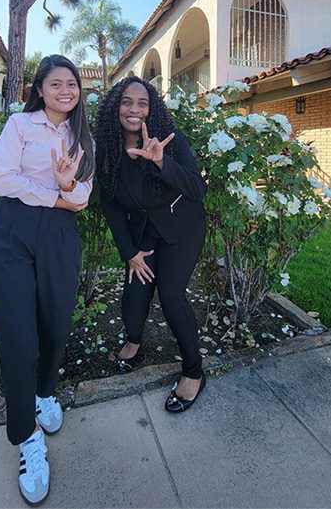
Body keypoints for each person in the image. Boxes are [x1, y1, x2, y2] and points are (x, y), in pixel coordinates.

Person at [0, 54, 95, 506]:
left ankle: (45, 393)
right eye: (56, 83)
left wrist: (67, 188)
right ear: (40, 88)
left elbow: (82, 199)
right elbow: (1, 180)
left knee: (54, 324)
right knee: (18, 340)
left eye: (72, 84)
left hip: (59, 239)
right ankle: (27, 439)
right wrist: (54, 195)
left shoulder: (82, 136)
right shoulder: (21, 127)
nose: (66, 90)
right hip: (11, 233)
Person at [95, 77, 208, 413]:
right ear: (116, 108)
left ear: (151, 108)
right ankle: (134, 341)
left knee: (171, 295)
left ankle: (193, 371)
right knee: (134, 292)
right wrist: (128, 252)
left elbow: (197, 189)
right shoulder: (108, 152)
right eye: (127, 102)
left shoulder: (171, 142)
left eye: (142, 103)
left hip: (182, 228)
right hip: (144, 234)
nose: (134, 109)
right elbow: (111, 207)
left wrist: (160, 161)